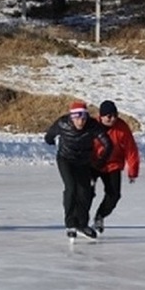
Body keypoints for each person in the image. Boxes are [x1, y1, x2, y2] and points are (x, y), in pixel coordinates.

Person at [45, 101, 113, 240]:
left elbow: (108, 144)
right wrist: (51, 141)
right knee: (71, 188)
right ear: (72, 117)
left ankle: (82, 224)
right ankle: (70, 223)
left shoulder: (92, 125)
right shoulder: (62, 123)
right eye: (77, 118)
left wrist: (100, 161)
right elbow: (49, 136)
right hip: (66, 160)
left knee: (85, 192)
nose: (80, 122)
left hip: (83, 162)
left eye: (83, 118)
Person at [91, 100, 140, 234]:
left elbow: (131, 149)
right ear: (101, 116)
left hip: (113, 165)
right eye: (109, 116)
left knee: (114, 195)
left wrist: (133, 171)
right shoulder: (92, 125)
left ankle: (100, 216)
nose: (113, 119)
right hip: (93, 164)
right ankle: (80, 221)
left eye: (115, 115)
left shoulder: (122, 127)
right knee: (86, 192)